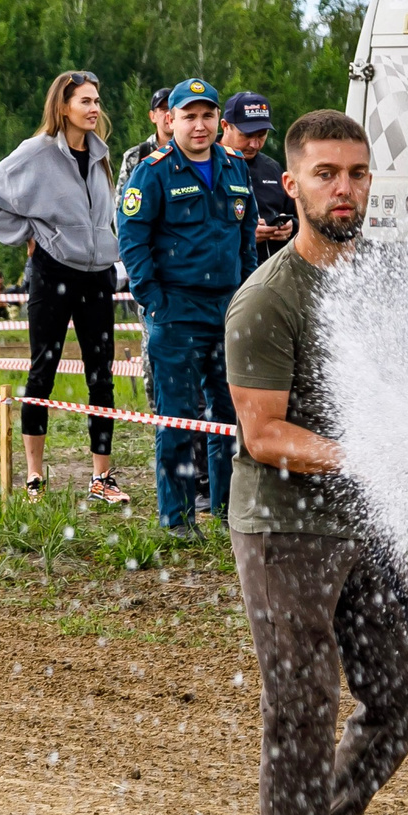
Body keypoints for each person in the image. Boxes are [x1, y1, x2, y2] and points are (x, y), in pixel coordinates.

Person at [225, 108, 408, 815]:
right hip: (283, 531)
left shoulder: (380, 279)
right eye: (326, 174)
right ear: (293, 184)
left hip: (360, 525)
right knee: (303, 707)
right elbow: (263, 435)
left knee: (403, 691)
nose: (343, 189)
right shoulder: (268, 298)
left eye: (356, 174)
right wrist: (362, 454)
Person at [0, 70, 131, 506]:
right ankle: (35, 477)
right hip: (52, 272)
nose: (95, 108)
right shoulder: (36, 152)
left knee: (102, 375)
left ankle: (102, 478)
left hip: (97, 273)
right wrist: (30, 232)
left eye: (97, 100)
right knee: (43, 370)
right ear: (63, 107)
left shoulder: (100, 154)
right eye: (85, 101)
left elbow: (104, 216)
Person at [117, 78, 252, 535]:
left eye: (207, 115)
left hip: (227, 310)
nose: (199, 125)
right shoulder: (153, 171)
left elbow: (245, 237)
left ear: (219, 120)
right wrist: (154, 300)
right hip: (176, 312)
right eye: (189, 116)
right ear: (170, 120)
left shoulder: (234, 165)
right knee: (178, 418)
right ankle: (177, 519)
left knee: (229, 415)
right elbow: (132, 240)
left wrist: (246, 292)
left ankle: (228, 509)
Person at [222, 91, 296, 267]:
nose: (254, 144)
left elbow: (298, 214)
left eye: (261, 135)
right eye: (247, 136)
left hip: (272, 276)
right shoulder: (204, 165)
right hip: (222, 280)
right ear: (225, 126)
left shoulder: (272, 168)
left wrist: (291, 227)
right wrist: (243, 235)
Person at [117, 86, 174, 186]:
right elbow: (121, 199)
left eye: (172, 109)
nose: (169, 114)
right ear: (152, 116)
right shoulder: (136, 156)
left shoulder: (191, 152)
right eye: (164, 109)